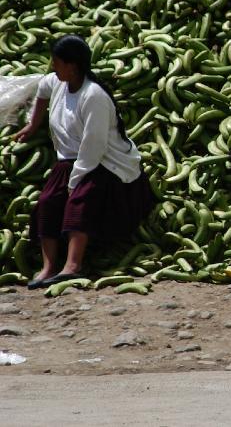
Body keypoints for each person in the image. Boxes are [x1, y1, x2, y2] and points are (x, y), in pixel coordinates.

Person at [13, 35, 155, 289]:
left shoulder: (94, 97)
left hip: (104, 163)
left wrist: (75, 181)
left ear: (73, 65)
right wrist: (33, 124)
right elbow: (43, 90)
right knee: (47, 202)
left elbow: (94, 147)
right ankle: (48, 268)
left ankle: (73, 266)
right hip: (70, 160)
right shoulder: (58, 82)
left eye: (57, 62)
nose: (53, 67)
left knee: (79, 200)